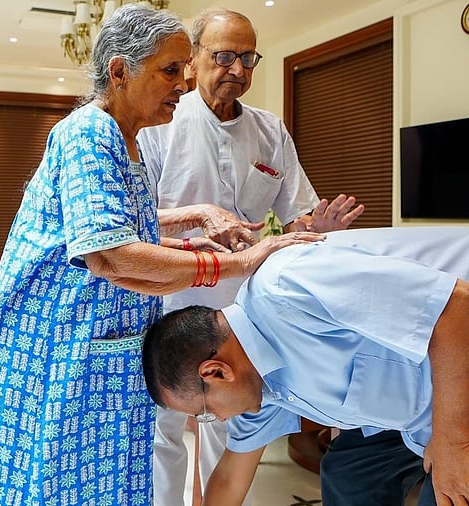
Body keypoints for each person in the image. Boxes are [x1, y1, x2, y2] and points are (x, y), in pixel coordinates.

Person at [0, 5, 324, 505]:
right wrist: (234, 262)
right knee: (56, 477)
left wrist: (197, 241)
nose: (183, 84)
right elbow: (111, 256)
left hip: (106, 343)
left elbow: (126, 236)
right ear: (121, 72)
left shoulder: (128, 142)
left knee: (109, 473)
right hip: (56, 346)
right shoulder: (88, 133)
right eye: (170, 70)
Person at [142, 226, 469, 506]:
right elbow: (228, 481)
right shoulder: (258, 390)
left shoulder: (287, 287)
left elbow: (454, 304)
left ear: (215, 372)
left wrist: (453, 440)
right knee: (351, 475)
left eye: (203, 412)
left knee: (454, 494)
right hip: (434, 382)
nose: (214, 420)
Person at [136, 7, 364, 505]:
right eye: (223, 56)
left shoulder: (270, 131)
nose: (237, 69)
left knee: (230, 420)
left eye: (247, 57)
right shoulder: (159, 126)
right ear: (193, 61)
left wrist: (315, 227)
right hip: (167, 300)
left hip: (241, 309)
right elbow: (135, 221)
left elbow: (297, 213)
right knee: (163, 427)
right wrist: (198, 221)